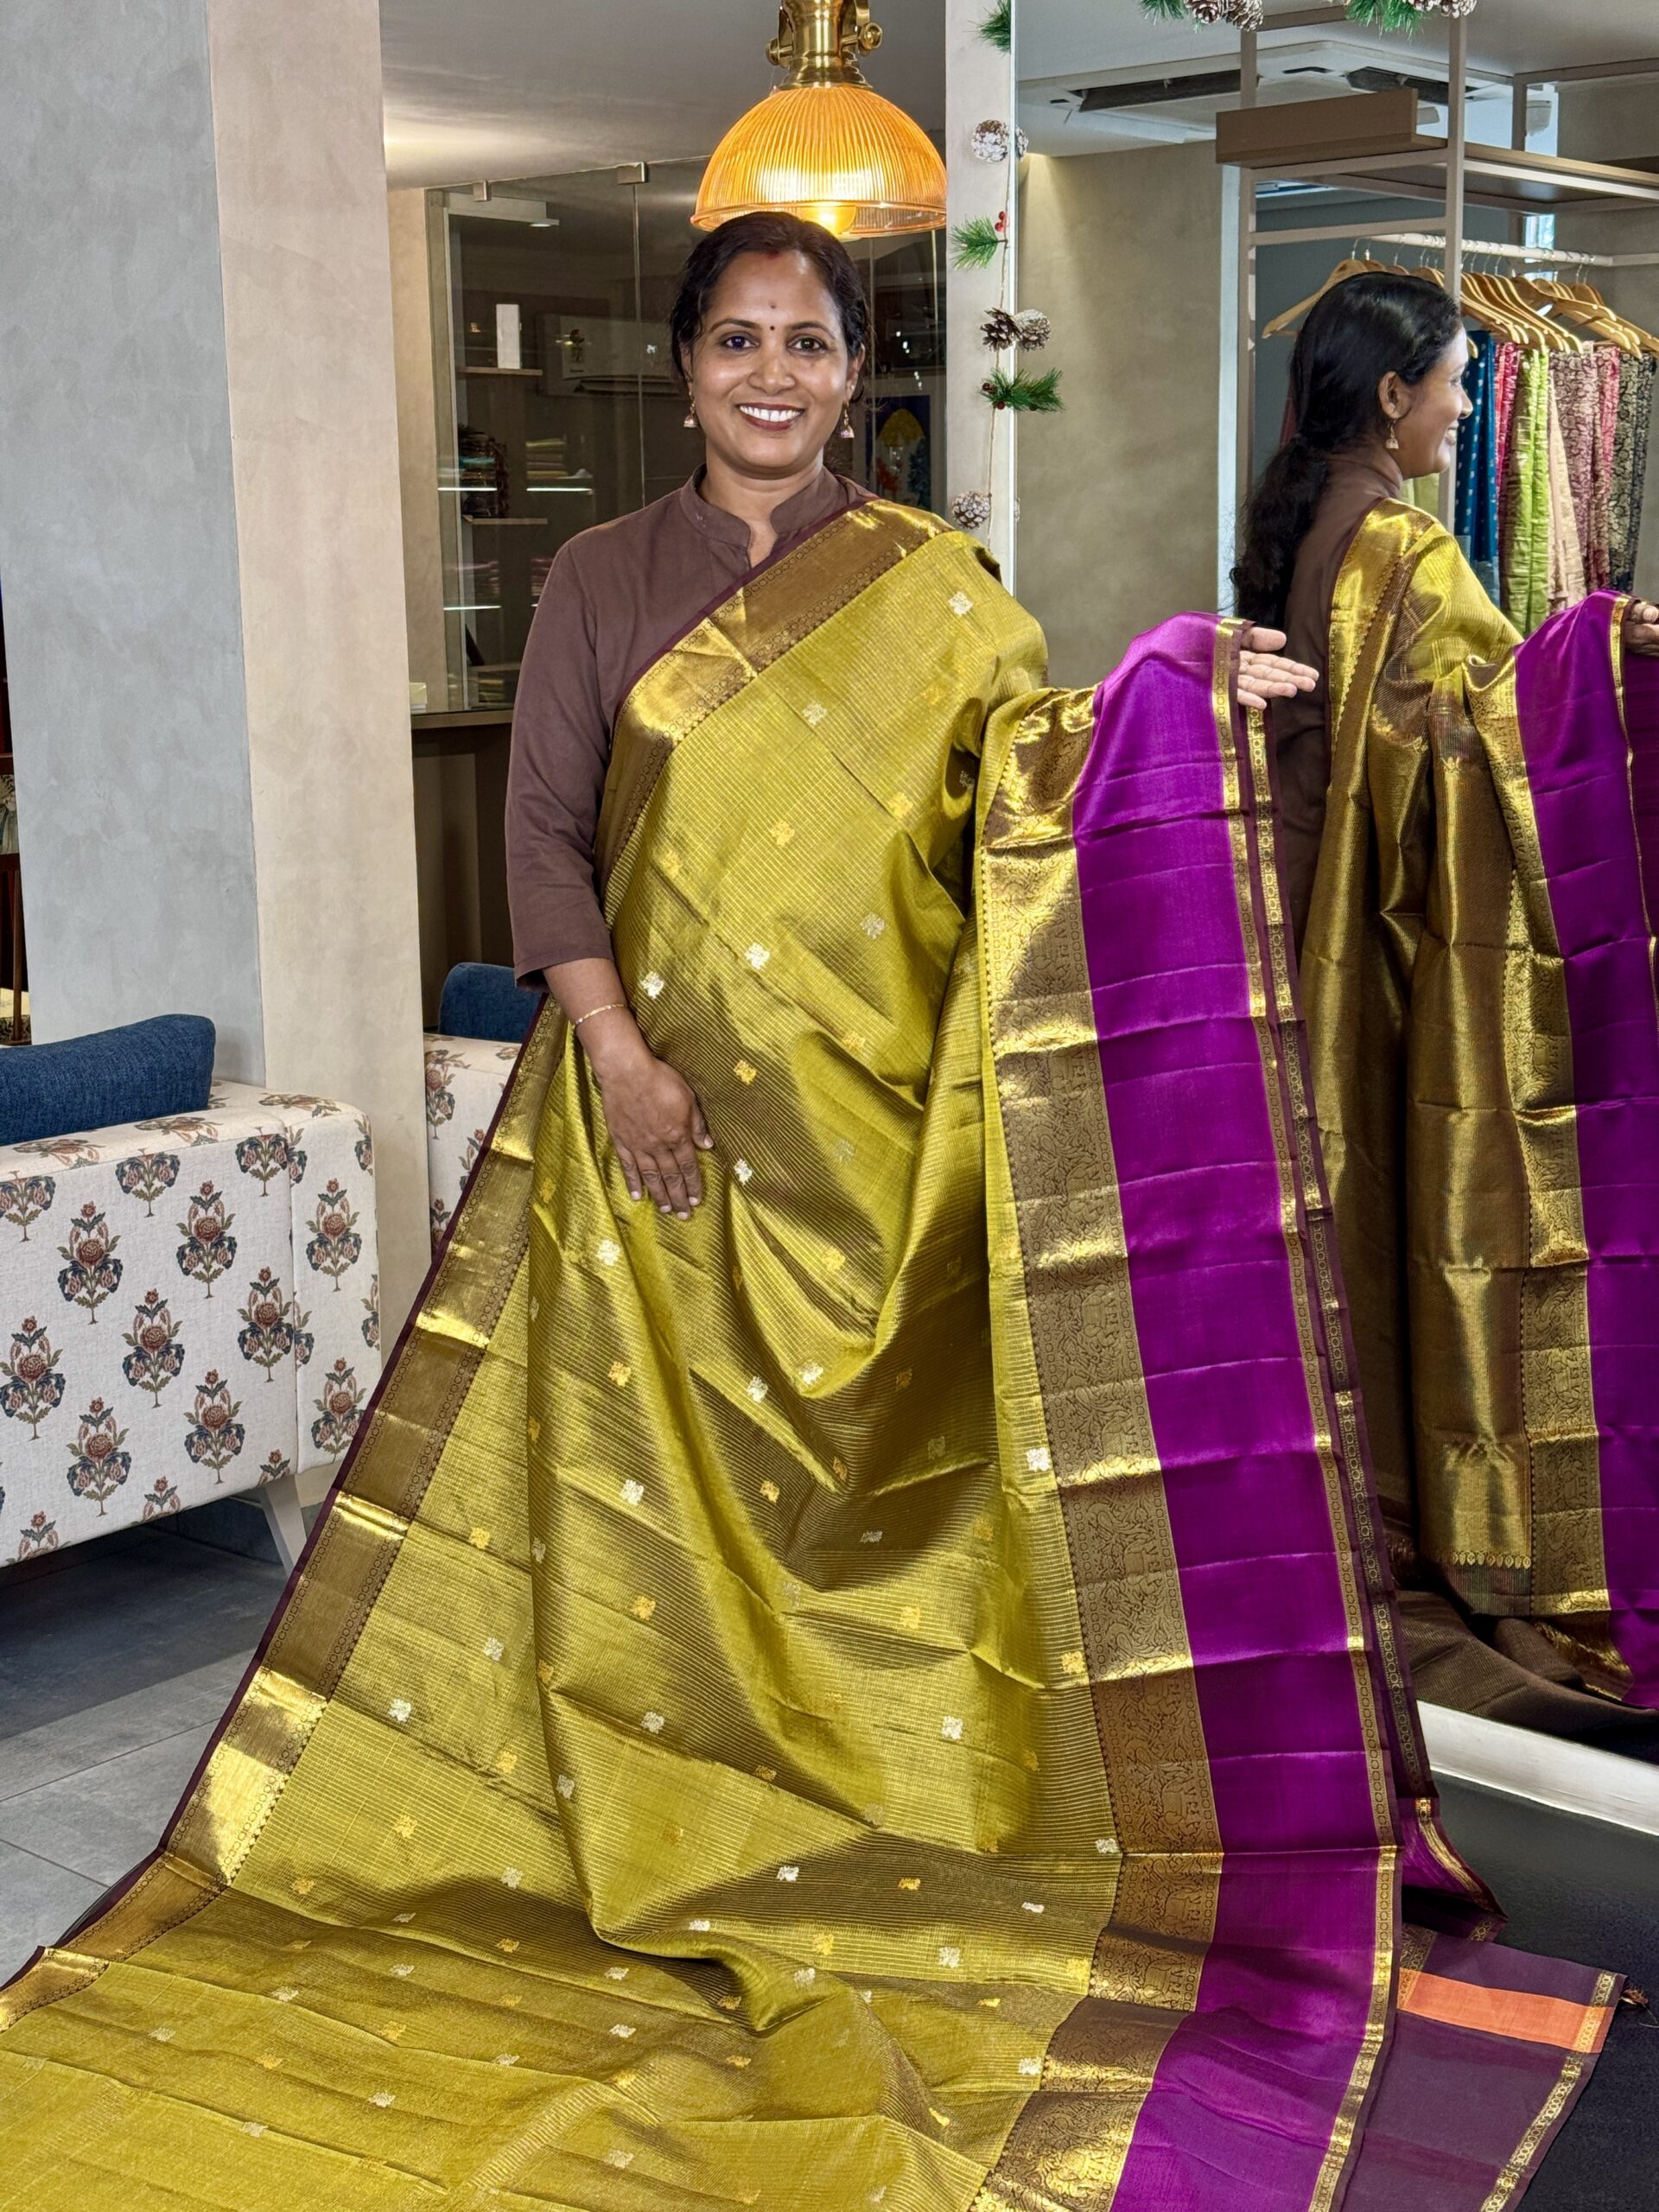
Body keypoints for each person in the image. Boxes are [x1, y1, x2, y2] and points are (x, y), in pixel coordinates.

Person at [1, 219, 1633, 2209]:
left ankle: (868, 1812)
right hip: (658, 1152)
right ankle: (655, 1806)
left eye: (808, 342)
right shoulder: (604, 577)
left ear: (855, 371)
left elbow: (1025, 803)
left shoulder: (936, 583)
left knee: (880, 1520)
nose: (772, 374)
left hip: (877, 1150)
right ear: (687, 364)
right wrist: (617, 1052)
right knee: (655, 1534)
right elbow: (543, 835)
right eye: (737, 340)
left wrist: (1164, 691)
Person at [1236, 270, 1659, 1736]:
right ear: (1391, 394)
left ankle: (1343, 1511)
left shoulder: (1313, 530)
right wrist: (1607, 648)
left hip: (1297, 932)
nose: (1469, 409)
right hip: (1366, 949)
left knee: (1342, 1230)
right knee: (1410, 1213)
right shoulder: (1400, 547)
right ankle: (1438, 1524)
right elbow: (1494, 734)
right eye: (1459, 383)